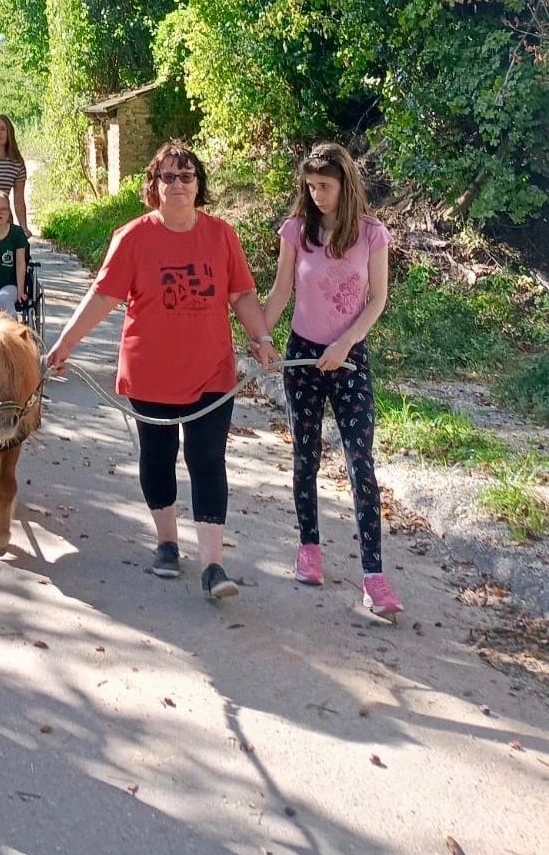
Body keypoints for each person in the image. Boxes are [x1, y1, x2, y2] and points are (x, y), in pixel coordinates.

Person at [46, 141, 276, 600]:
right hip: (151, 374)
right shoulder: (133, 237)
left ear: (199, 186)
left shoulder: (222, 235)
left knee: (208, 459)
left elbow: (242, 295)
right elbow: (103, 298)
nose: (177, 184)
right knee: (158, 456)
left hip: (212, 373)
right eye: (167, 176)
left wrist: (262, 336)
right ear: (152, 186)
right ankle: (167, 543)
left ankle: (213, 565)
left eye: (186, 176)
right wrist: (66, 343)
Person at [262, 142, 402, 619]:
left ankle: (374, 576)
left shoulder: (372, 235)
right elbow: (281, 290)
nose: (316, 193)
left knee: (360, 462)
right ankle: (309, 547)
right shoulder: (296, 231)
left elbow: (377, 299)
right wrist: (260, 337)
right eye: (310, 185)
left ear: (345, 184)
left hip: (350, 359)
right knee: (306, 456)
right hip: (302, 357)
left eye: (324, 185)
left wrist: (345, 344)